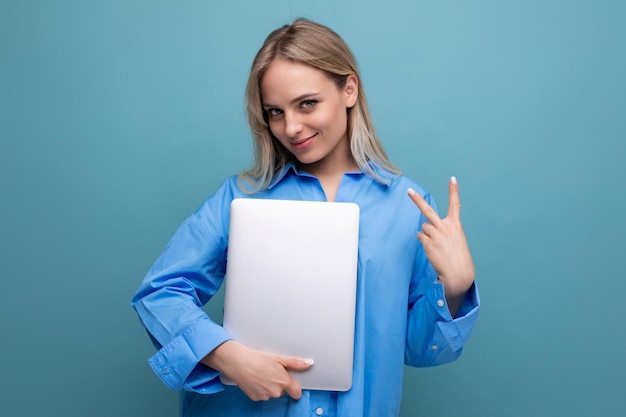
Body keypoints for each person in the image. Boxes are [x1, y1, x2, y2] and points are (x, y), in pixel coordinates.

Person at [132, 18, 479, 417]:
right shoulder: (240, 198)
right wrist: (228, 357)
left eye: (307, 103)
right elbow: (159, 293)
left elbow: (420, 350)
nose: (291, 127)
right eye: (275, 112)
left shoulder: (407, 206)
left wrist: (454, 287)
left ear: (349, 89)